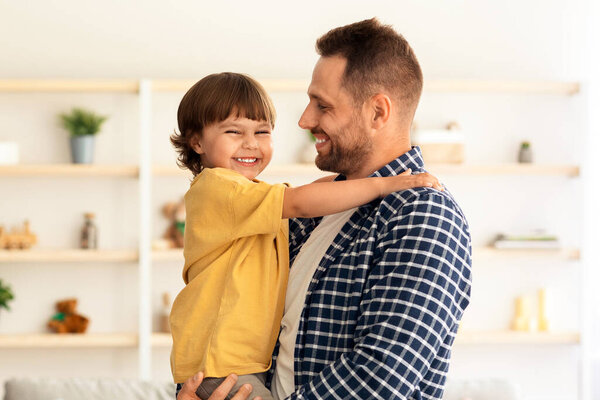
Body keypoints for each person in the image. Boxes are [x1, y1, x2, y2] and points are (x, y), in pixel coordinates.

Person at [169, 72, 442, 400]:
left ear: (378, 111)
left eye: (262, 132)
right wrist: (383, 184)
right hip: (221, 364)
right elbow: (299, 201)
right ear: (197, 142)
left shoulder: (247, 195)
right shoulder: (218, 188)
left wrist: (385, 180)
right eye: (233, 132)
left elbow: (306, 192)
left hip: (231, 362)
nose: (251, 143)